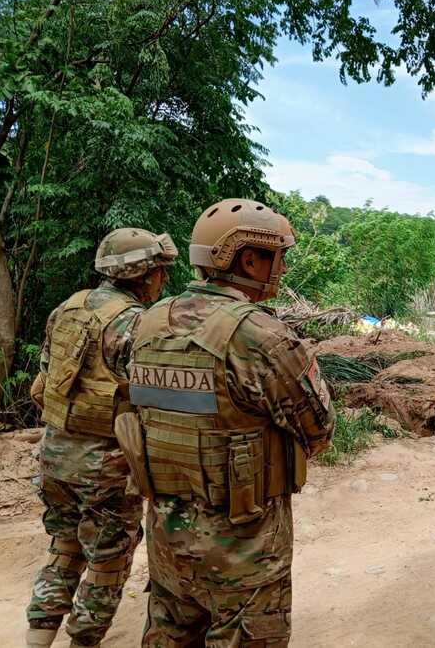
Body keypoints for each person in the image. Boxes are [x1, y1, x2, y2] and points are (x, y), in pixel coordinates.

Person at [123, 199, 336, 646]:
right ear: (249, 258)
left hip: (169, 544)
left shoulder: (145, 324)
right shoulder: (263, 338)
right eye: (277, 257)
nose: (280, 268)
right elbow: (319, 430)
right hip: (245, 555)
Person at [26, 228, 178, 648]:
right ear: (144, 274)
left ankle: (37, 637)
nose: (162, 279)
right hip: (106, 465)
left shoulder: (67, 308)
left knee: (64, 548)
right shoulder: (134, 322)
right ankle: (84, 640)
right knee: (108, 561)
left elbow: (46, 378)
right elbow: (153, 396)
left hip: (56, 454)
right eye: (159, 271)